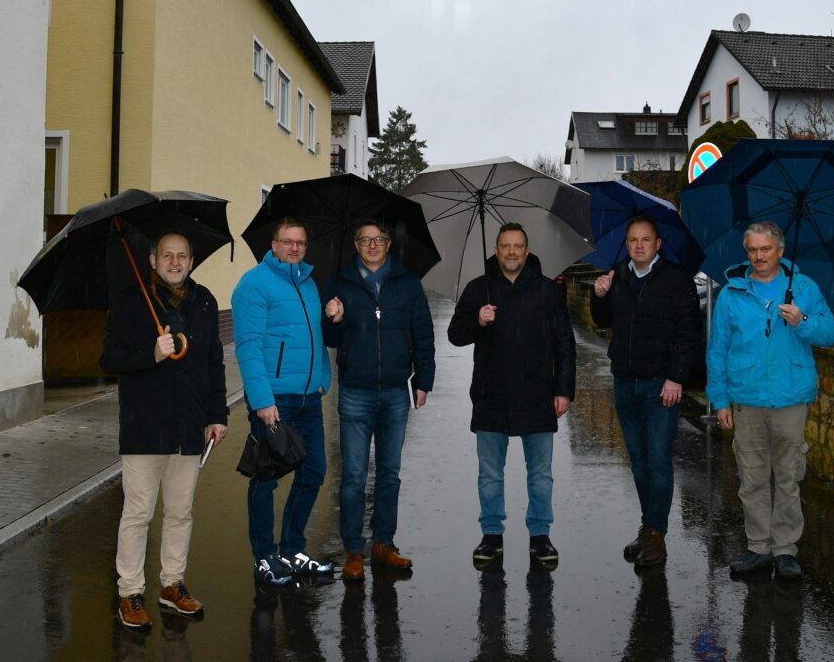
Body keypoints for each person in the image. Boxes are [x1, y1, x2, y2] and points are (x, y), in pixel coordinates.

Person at [100, 232, 229, 629]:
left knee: (180, 512)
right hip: (144, 427)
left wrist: (217, 414)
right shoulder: (130, 301)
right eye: (167, 255)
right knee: (138, 514)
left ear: (191, 260)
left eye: (182, 255)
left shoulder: (205, 301)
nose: (175, 262)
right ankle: (130, 591)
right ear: (153, 260)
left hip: (188, 427)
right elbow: (109, 359)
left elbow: (213, 364)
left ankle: (172, 584)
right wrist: (150, 355)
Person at [706, 221, 834, 580]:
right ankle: (758, 547)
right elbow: (717, 350)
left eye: (766, 249)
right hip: (747, 401)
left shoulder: (803, 288)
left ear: (780, 251)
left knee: (787, 477)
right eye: (752, 250)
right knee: (751, 479)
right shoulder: (732, 294)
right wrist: (719, 399)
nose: (759, 256)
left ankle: (785, 551)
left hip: (791, 399)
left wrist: (803, 321)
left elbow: (832, 334)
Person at [448, 222, 576, 570]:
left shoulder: (548, 291)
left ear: (527, 250)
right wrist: (478, 320)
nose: (512, 252)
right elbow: (455, 335)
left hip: (538, 394)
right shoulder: (479, 289)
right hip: (491, 394)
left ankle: (540, 535)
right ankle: (491, 534)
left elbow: (565, 342)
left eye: (518, 246)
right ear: (496, 250)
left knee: (541, 474)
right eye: (505, 246)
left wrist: (564, 389)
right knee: (490, 473)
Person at [324, 219, 435, 581]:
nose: (372, 245)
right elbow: (330, 337)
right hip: (355, 390)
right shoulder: (341, 282)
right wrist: (335, 319)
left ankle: (384, 543)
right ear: (356, 245)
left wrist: (424, 379)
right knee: (354, 476)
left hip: (394, 392)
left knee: (389, 474)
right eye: (365, 239)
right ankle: (354, 550)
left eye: (379, 239)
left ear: (388, 243)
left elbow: (422, 332)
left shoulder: (407, 282)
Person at [590, 216, 701, 568]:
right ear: (626, 244)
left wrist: (676, 377)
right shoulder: (618, 275)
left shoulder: (676, 279)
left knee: (658, 460)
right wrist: (599, 296)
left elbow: (689, 333)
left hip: (660, 385)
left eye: (645, 240)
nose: (638, 245)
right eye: (633, 240)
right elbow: (602, 322)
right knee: (638, 461)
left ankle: (656, 535)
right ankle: (649, 527)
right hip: (625, 381)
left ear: (658, 244)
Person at [232, 216, 335, 586]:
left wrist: (323, 376)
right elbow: (248, 347)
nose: (294, 248)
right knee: (266, 479)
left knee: (314, 471)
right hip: (274, 400)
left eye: (301, 243)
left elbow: (316, 335)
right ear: (273, 244)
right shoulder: (254, 284)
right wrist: (262, 399)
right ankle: (264, 556)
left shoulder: (308, 284)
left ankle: (292, 549)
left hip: (308, 397)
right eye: (287, 241)